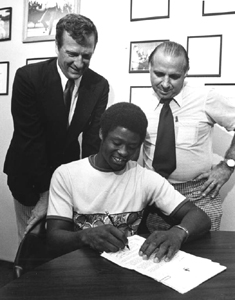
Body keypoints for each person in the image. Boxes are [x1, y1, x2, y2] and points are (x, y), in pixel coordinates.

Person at [46, 102, 211, 262]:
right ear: (102, 134)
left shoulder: (144, 178)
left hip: (126, 266)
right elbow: (54, 238)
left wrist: (178, 232)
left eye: (132, 147)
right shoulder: (66, 174)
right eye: (116, 143)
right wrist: (85, 236)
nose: (124, 152)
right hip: (80, 264)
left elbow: (200, 217)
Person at [4, 14, 109, 242]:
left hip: (68, 177)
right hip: (28, 177)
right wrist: (46, 195)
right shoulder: (28, 78)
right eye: (72, 54)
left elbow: (93, 142)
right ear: (57, 46)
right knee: (31, 243)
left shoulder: (99, 85)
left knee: (61, 247)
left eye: (86, 56)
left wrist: (90, 187)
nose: (79, 63)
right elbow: (30, 139)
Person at [140, 41, 235, 232]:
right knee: (157, 257)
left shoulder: (206, 97)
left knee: (203, 258)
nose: (165, 84)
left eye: (174, 76)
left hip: (199, 196)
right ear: (149, 68)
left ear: (186, 72)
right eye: (158, 74)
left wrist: (228, 165)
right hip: (155, 199)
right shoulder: (140, 105)